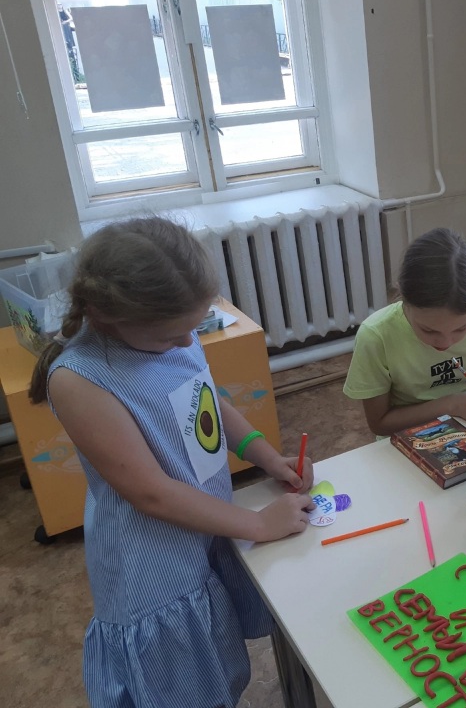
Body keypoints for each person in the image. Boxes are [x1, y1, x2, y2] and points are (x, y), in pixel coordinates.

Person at [27, 216, 315, 708]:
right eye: (170, 336)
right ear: (104, 315)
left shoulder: (172, 331)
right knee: (178, 686)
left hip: (202, 526)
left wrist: (267, 457)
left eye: (191, 329)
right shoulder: (78, 379)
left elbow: (206, 400)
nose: (186, 343)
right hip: (151, 565)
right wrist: (257, 525)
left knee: (215, 668)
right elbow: (150, 493)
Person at [343, 227, 466, 436]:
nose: (445, 343)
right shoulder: (375, 336)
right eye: (428, 330)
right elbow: (380, 423)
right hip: (410, 434)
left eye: (461, 328)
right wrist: (452, 405)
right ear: (402, 296)